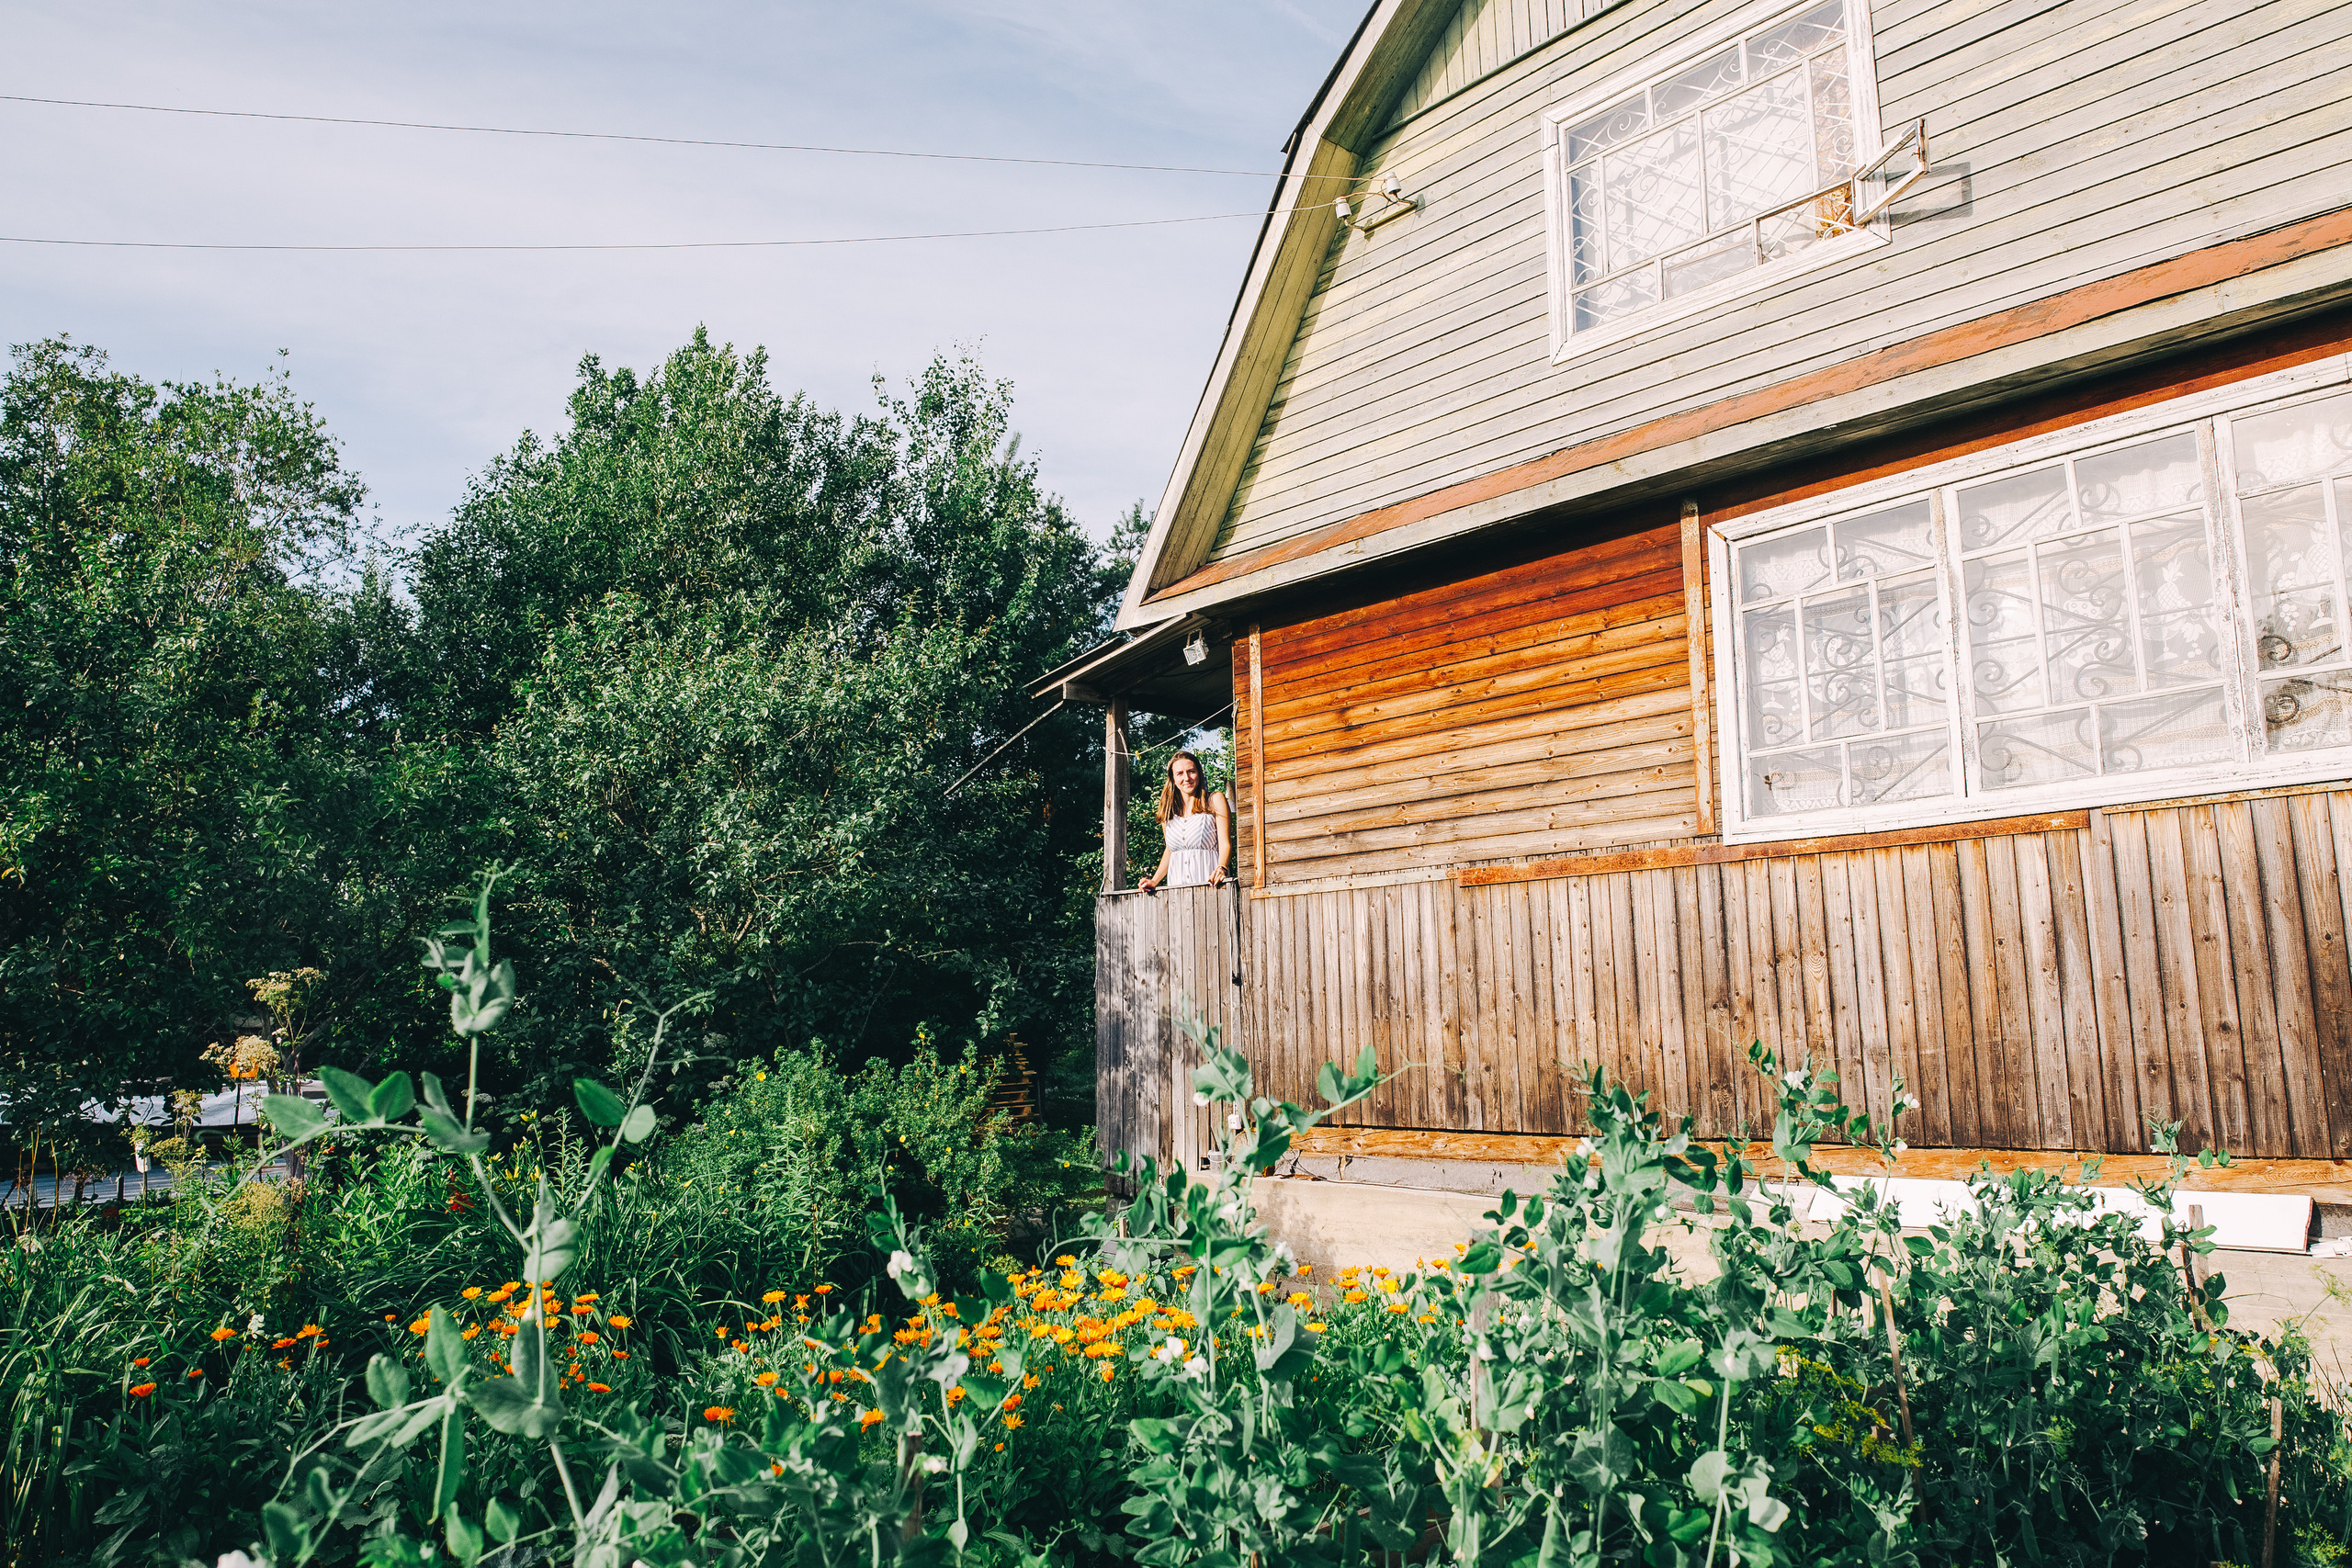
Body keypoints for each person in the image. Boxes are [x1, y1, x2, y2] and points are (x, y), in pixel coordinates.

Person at [1138, 750, 1230, 892]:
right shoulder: (1168, 811)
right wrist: (1154, 881)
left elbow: (1225, 843)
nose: (1187, 778)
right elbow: (1170, 850)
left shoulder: (1214, 800)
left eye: (1191, 771)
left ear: (1199, 773)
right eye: (1180, 773)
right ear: (1173, 779)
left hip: (1211, 887)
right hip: (1177, 891)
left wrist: (1221, 868)